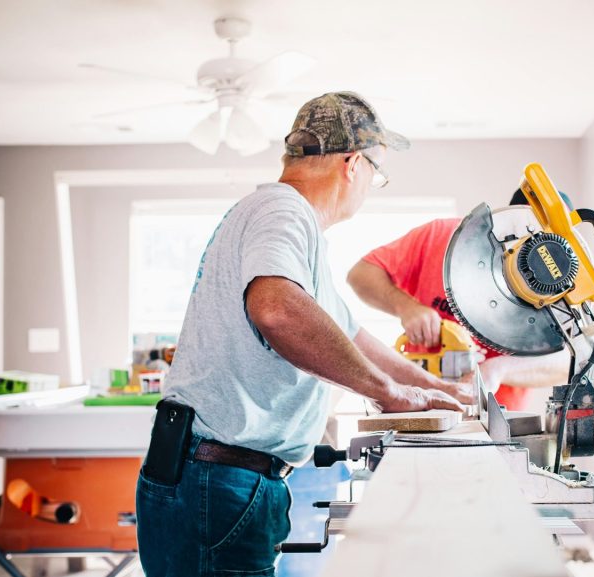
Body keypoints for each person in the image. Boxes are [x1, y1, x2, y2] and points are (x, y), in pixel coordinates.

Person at [135, 92, 471, 577]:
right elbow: (276, 311)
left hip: (217, 476)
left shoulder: (288, 224)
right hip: (218, 479)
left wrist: (434, 389)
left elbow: (350, 335)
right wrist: (387, 393)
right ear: (354, 164)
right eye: (377, 173)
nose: (371, 185)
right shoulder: (283, 210)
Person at [347, 189, 571, 411]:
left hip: (497, 418)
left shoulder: (560, 285)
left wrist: (498, 369)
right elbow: (361, 274)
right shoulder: (442, 237)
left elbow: (568, 361)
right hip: (418, 402)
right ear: (508, 218)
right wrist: (406, 307)